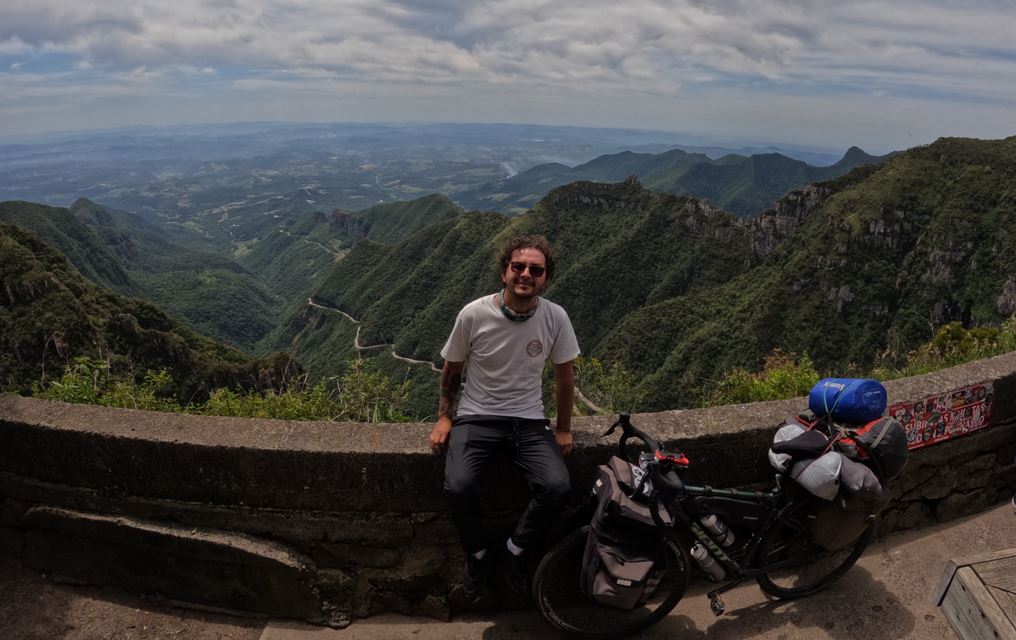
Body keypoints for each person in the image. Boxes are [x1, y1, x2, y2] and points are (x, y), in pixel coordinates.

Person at [428, 234, 580, 597]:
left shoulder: (555, 317)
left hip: (528, 421)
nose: (526, 274)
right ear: (504, 272)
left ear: (545, 278)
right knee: (458, 487)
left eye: (535, 270)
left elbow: (564, 377)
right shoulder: (474, 314)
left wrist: (563, 429)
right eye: (518, 266)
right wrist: (445, 417)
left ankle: (515, 550)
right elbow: (452, 370)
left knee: (557, 487)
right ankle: (478, 554)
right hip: (476, 416)